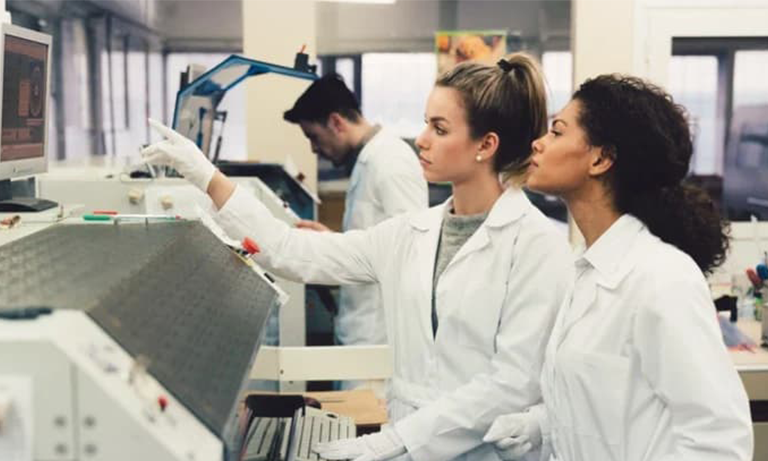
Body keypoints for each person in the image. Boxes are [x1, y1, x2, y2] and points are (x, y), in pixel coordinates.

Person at [142, 53, 573, 461]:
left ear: (486, 145)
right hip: (406, 445)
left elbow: (511, 384)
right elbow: (289, 250)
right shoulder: (410, 234)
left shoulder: (537, 246)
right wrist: (207, 177)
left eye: (440, 129)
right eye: (425, 123)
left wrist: (397, 439)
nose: (420, 139)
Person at [483, 74, 753, 461]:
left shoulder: (661, 279)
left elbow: (720, 442)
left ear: (600, 158)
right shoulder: (586, 268)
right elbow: (613, 404)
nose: (538, 144)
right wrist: (539, 426)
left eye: (557, 132)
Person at [284, 74, 428, 377]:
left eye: (313, 136)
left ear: (336, 122)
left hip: (379, 343)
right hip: (360, 334)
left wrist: (332, 249)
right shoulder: (369, 160)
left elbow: (412, 250)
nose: (313, 148)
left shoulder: (391, 162)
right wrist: (332, 242)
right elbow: (378, 239)